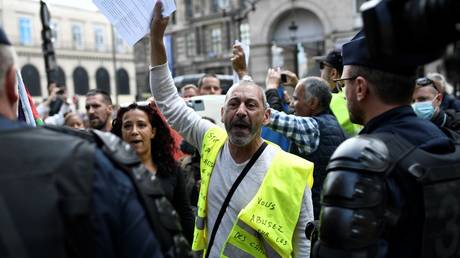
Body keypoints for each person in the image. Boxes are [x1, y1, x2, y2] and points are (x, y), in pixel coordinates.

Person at [149, 3, 314, 257]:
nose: (241, 111)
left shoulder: (289, 169)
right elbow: (168, 100)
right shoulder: (211, 140)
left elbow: (302, 243)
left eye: (251, 105)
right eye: (234, 104)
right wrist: (157, 39)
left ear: (266, 116)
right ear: (223, 113)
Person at [0, 26, 163, 258]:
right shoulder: (86, 163)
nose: (90, 111)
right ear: (12, 85)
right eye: (88, 107)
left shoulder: (95, 157)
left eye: (96, 106)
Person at [313, 32, 458, 258]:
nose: (343, 94)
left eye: (343, 84)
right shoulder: (445, 139)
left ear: (360, 87)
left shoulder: (361, 158)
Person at [265, 72, 346, 219]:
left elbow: (271, 117)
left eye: (296, 99)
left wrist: (269, 87)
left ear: (313, 103)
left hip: (312, 217)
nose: (291, 103)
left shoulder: (312, 128)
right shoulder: (330, 121)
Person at [112, 101, 195, 242]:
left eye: (141, 125)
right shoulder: (111, 170)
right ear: (121, 132)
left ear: (153, 132)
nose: (134, 131)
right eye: (127, 126)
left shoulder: (172, 170)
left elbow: (184, 214)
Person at [317, 50, 361, 136]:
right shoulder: (355, 96)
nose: (320, 73)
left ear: (333, 73)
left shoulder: (331, 100)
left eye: (322, 66)